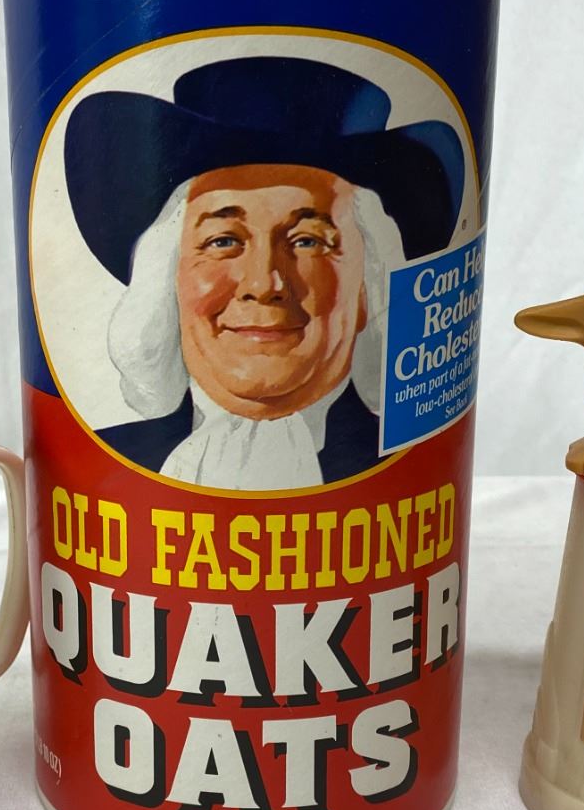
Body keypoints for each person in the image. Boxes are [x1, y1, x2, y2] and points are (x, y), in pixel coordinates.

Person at [62, 55, 474, 489]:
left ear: (367, 282)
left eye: (307, 242)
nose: (264, 284)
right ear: (168, 276)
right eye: (223, 241)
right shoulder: (97, 464)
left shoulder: (417, 464)